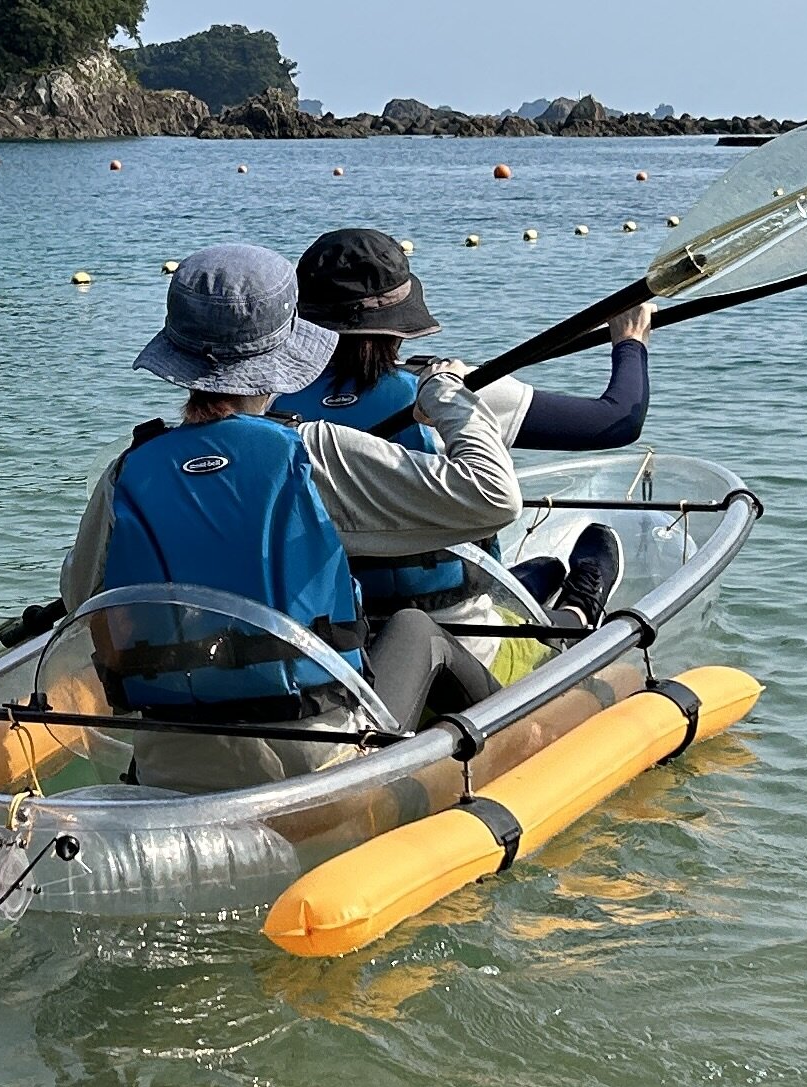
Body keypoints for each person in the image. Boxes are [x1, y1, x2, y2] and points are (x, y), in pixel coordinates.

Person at [52, 243, 520, 788]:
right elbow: (494, 496)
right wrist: (447, 394)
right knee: (415, 628)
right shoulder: (313, 451)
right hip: (320, 759)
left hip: (173, 756)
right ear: (286, 352)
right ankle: (522, 739)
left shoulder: (126, 471)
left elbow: (81, 599)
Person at [273, 227, 628, 628]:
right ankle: (577, 612)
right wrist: (631, 342)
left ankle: (543, 582)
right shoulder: (444, 391)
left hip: (342, 628)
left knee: (542, 569)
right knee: (574, 572)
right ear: (399, 323)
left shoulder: (270, 409)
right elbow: (616, 421)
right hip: (460, 631)